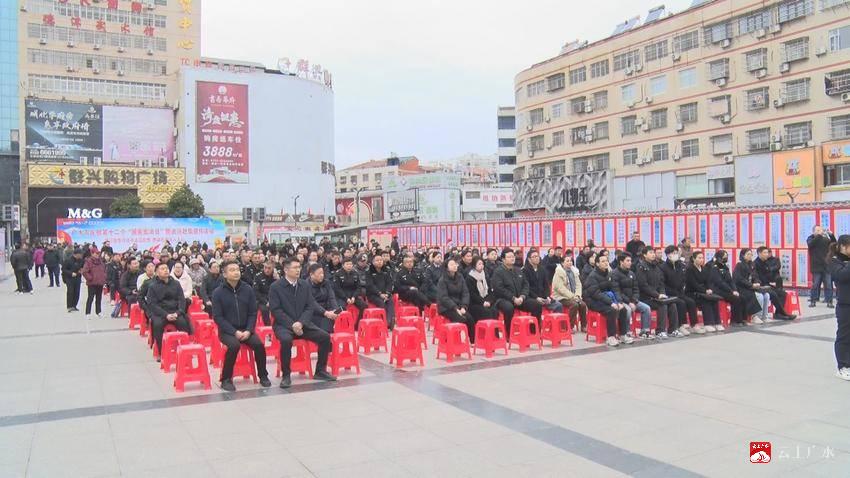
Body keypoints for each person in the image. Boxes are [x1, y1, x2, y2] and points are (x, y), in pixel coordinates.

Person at [269, 257, 336, 388]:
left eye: (299, 267)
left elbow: (310, 306)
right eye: (295, 267)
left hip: (303, 323)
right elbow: (276, 310)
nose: (298, 270)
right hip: (284, 325)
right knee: (286, 341)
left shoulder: (304, 285)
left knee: (324, 337)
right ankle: (286, 375)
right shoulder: (275, 287)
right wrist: (292, 325)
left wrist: (301, 323)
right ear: (286, 270)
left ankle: (320, 371)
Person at [212, 261, 270, 391]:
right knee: (234, 346)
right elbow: (218, 317)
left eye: (237, 269)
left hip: (246, 329)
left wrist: (249, 330)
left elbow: (252, 313)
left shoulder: (247, 289)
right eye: (232, 270)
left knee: (259, 345)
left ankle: (263, 375)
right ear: (225, 274)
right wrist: (234, 332)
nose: (236, 272)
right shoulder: (218, 293)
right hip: (227, 331)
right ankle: (226, 379)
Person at [582, 254, 632, 346]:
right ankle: (611, 337)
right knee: (611, 310)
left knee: (623, 309)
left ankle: (622, 335)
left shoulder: (609, 274)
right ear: (597, 264)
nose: (606, 263)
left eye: (606, 261)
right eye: (603, 261)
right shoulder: (592, 276)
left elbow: (615, 289)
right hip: (593, 300)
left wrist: (619, 302)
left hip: (605, 299)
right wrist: (611, 302)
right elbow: (596, 293)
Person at [145, 263, 192, 358]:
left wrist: (178, 313)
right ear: (157, 272)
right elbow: (152, 304)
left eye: (166, 268)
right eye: (162, 269)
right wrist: (165, 315)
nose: (165, 270)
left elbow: (181, 300)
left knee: (183, 323)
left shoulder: (176, 283)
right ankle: (161, 352)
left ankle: (186, 350)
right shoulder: (152, 286)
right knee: (157, 325)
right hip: (160, 313)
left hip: (175, 312)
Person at [491, 249, 543, 333]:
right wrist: (513, 298)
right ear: (503, 259)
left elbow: (526, 285)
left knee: (537, 305)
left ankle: (534, 332)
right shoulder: (498, 272)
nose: (512, 258)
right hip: (504, 299)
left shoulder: (518, 270)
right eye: (509, 257)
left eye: (513, 256)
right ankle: (509, 333)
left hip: (520, 299)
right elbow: (499, 289)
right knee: (508, 308)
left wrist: (522, 296)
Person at [635, 247, 679, 339]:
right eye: (650, 253)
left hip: (657, 297)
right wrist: (657, 295)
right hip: (645, 298)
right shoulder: (641, 267)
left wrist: (662, 294)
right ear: (645, 255)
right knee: (662, 305)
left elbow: (661, 283)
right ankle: (660, 331)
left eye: (653, 253)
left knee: (672, 304)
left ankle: (672, 330)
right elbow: (643, 285)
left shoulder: (656, 267)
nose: (653, 254)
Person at [708, 249, 759, 326]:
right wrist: (731, 291)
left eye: (726, 256)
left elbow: (730, 281)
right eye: (724, 257)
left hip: (727, 289)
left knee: (743, 298)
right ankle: (735, 321)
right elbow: (720, 282)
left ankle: (743, 319)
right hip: (718, 290)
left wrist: (735, 290)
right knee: (736, 299)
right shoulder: (714, 267)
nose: (726, 258)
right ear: (719, 258)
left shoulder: (725, 267)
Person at [612, 253, 653, 339]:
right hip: (621, 301)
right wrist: (629, 302)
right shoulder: (615, 274)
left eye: (630, 261)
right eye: (627, 261)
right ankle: (626, 332)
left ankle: (644, 331)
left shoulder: (631, 273)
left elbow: (636, 289)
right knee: (628, 310)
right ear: (621, 262)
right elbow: (617, 291)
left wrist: (634, 301)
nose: (630, 263)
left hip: (632, 301)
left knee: (646, 308)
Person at [660, 245, 697, 336]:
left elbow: (683, 279)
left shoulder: (680, 265)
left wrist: (681, 288)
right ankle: (680, 325)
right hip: (669, 293)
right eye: (673, 253)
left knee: (691, 302)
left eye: (676, 253)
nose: (675, 255)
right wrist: (673, 292)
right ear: (668, 255)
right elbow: (663, 284)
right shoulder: (663, 267)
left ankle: (694, 325)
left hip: (679, 292)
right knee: (681, 303)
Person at [827, 235, 850, 381]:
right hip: (845, 304)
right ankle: (842, 367)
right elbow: (841, 276)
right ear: (843, 246)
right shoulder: (834, 261)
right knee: (844, 336)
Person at [437, 257, 475, 343]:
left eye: (455, 264)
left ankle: (472, 341)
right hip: (446, 307)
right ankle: (452, 340)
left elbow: (465, 293)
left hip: (459, 305)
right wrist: (455, 308)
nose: (454, 266)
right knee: (462, 319)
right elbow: (444, 297)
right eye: (452, 264)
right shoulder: (442, 280)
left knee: (470, 319)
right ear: (447, 268)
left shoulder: (460, 277)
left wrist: (463, 306)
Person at [753, 247, 796, 321]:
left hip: (767, 285)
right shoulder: (755, 264)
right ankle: (784, 313)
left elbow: (769, 275)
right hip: (760, 286)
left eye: (767, 252)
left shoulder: (766, 263)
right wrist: (762, 284)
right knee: (773, 294)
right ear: (759, 254)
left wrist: (774, 279)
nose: (767, 254)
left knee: (782, 293)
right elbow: (755, 277)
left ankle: (778, 314)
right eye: (765, 253)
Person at [685, 251, 722, 333]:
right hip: (692, 292)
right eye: (699, 258)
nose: (701, 260)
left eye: (702, 258)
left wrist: (709, 289)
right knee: (706, 300)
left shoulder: (704, 268)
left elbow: (708, 281)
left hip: (703, 292)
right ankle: (708, 324)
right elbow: (693, 284)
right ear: (694, 259)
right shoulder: (689, 269)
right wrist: (705, 290)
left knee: (714, 299)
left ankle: (717, 322)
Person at [552, 255, 587, 332]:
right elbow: (560, 288)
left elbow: (578, 284)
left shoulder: (574, 272)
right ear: (562, 263)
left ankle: (584, 326)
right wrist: (572, 296)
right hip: (561, 297)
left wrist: (577, 295)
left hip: (574, 296)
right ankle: (569, 326)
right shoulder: (559, 272)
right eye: (567, 261)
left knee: (583, 305)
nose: (570, 262)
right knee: (574, 305)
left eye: (571, 261)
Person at [734, 248, 769, 324]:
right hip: (742, 288)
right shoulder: (739, 265)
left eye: (751, 254)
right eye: (748, 254)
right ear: (743, 255)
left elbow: (755, 276)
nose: (750, 256)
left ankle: (764, 316)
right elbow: (739, 279)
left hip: (751, 287)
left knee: (766, 295)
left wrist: (757, 282)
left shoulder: (752, 264)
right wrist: (751, 285)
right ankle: (755, 316)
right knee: (759, 296)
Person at [524, 249, 563, 313]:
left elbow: (546, 285)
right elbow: (527, 288)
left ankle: (553, 319)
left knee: (558, 305)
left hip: (544, 297)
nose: (537, 258)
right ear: (529, 259)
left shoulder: (542, 269)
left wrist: (547, 296)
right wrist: (536, 298)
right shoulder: (525, 270)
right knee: (537, 305)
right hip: (532, 298)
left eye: (537, 256)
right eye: (534, 257)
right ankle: (538, 320)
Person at [333, 257, 368, 326]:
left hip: (353, 296)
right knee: (340, 309)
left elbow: (358, 288)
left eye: (350, 264)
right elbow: (337, 289)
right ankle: (340, 325)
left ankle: (357, 325)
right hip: (342, 296)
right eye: (347, 264)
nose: (349, 266)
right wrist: (346, 298)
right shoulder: (337, 274)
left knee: (364, 306)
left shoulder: (355, 273)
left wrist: (354, 297)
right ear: (343, 265)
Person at [808, 225, 836, 308]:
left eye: (820, 230)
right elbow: (810, 245)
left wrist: (831, 235)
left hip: (826, 266)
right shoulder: (810, 239)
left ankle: (829, 301)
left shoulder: (825, 239)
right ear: (813, 232)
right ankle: (813, 301)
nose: (819, 232)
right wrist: (819, 235)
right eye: (817, 230)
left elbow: (834, 245)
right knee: (815, 285)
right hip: (816, 266)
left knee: (828, 285)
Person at [365, 253, 395, 329]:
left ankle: (389, 320)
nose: (379, 262)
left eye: (381, 260)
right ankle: (385, 321)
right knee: (381, 303)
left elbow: (389, 283)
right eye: (377, 260)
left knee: (390, 301)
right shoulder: (368, 272)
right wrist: (380, 294)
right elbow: (370, 285)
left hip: (385, 294)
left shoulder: (386, 270)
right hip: (373, 295)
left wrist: (387, 293)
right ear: (373, 262)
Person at [308, 263, 340, 334]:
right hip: (314, 312)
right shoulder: (306, 285)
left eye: (322, 273)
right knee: (325, 326)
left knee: (337, 315)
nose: (322, 275)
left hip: (327, 310)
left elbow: (331, 297)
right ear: (311, 275)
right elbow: (312, 303)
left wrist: (335, 310)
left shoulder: (326, 282)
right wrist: (325, 313)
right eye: (319, 273)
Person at [466, 257, 497, 322]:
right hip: (475, 303)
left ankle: (494, 328)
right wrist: (483, 302)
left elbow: (489, 291)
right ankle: (486, 328)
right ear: (474, 265)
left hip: (486, 300)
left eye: (482, 264)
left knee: (494, 310)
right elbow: (472, 294)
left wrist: (489, 301)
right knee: (487, 312)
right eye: (479, 264)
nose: (481, 266)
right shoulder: (470, 277)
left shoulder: (485, 275)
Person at [81, 248, 107, 319]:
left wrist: (104, 277)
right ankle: (88, 313)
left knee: (99, 298)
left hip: (100, 282)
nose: (97, 255)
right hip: (92, 283)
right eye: (96, 253)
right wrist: (90, 278)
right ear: (92, 254)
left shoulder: (101, 261)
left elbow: (104, 270)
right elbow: (84, 272)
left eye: (98, 253)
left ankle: (98, 312)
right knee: (90, 298)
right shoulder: (88, 261)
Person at [253, 261, 276, 326]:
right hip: (262, 299)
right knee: (264, 309)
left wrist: (278, 278)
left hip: (274, 298)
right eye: (265, 267)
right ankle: (268, 326)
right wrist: (266, 302)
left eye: (269, 268)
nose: (267, 270)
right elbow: (256, 292)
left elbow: (280, 290)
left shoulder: (276, 276)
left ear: (273, 268)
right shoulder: (258, 276)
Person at [63, 248, 85, 312]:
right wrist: (71, 273)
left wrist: (82, 270)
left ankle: (74, 306)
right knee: (70, 292)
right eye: (80, 254)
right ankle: (69, 306)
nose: (81, 255)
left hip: (78, 278)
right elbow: (64, 269)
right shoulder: (68, 260)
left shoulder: (81, 260)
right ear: (76, 254)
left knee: (77, 292)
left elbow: (83, 267)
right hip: (69, 278)